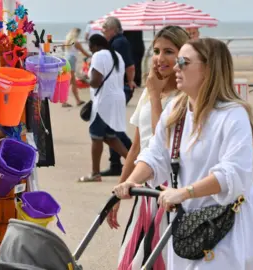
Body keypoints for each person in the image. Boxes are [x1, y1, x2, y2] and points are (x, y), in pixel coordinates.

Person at [113, 38, 253, 269]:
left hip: (225, 223)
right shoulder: (176, 110)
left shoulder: (232, 115)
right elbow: (156, 154)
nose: (176, 68)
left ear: (208, 69)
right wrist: (131, 181)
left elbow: (234, 173)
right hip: (189, 222)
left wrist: (185, 192)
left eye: (184, 62)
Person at [108, 26, 190, 269]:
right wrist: (118, 192)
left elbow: (160, 144)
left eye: (168, 51)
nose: (160, 58)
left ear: (182, 56)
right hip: (143, 188)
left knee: (156, 259)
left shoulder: (183, 97)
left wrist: (154, 95)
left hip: (166, 191)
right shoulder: (151, 89)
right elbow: (136, 147)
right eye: (156, 51)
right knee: (134, 256)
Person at [78, 34, 128, 182]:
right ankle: (135, 164)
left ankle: (95, 173)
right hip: (117, 99)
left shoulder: (99, 56)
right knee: (110, 137)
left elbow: (95, 82)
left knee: (96, 136)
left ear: (94, 46)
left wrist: (83, 78)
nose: (90, 51)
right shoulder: (117, 55)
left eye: (90, 47)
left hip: (104, 101)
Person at [100, 16, 135, 176]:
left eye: (105, 28)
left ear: (113, 29)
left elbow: (129, 65)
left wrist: (130, 82)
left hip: (119, 89)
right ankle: (116, 164)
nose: (103, 31)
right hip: (116, 89)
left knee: (113, 128)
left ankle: (136, 156)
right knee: (111, 127)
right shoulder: (117, 42)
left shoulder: (119, 43)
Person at [63, 28, 91, 107]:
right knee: (71, 81)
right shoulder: (76, 42)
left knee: (71, 81)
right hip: (71, 60)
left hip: (66, 60)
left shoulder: (67, 41)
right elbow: (83, 52)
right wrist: (91, 56)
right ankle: (66, 101)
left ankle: (76, 100)